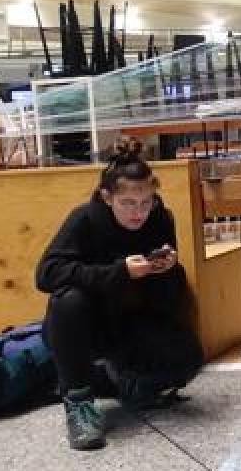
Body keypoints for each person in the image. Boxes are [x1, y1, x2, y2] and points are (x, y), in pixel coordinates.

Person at [36, 138, 204, 451]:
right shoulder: (84, 220)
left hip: (132, 319)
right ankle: (78, 403)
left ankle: (123, 380)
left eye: (146, 202)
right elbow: (46, 274)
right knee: (67, 300)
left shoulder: (160, 218)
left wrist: (166, 268)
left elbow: (167, 297)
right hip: (86, 324)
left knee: (189, 358)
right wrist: (119, 271)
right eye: (128, 203)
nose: (137, 212)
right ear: (107, 197)